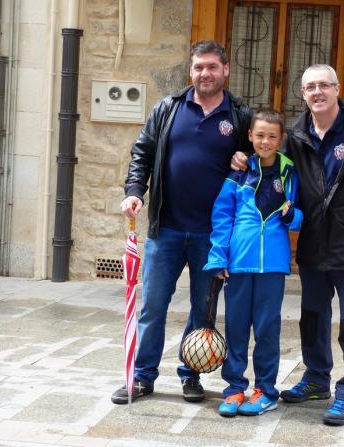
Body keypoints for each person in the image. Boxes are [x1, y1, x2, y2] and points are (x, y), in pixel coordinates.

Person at [231, 64, 344, 425]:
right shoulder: (296, 136)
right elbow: (271, 164)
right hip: (313, 244)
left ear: (337, 89)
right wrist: (242, 158)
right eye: (310, 87)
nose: (317, 92)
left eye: (324, 85)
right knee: (312, 317)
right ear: (303, 94)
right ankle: (315, 379)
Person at [112, 40, 252, 405]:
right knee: (152, 306)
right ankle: (142, 377)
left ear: (225, 70)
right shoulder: (168, 108)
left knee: (203, 311)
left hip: (214, 235)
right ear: (190, 71)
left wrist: (246, 159)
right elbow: (142, 153)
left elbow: (259, 160)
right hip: (167, 229)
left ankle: (191, 375)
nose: (205, 73)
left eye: (212, 66)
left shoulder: (239, 115)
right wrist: (134, 191)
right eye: (198, 67)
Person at [204, 109, 303, 417]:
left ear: (281, 139)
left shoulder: (289, 171)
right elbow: (222, 215)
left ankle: (265, 391)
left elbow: (301, 215)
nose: (265, 141)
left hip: (273, 264)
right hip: (238, 262)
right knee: (235, 327)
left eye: (272, 136)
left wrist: (292, 215)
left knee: (267, 329)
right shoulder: (239, 171)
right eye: (260, 135)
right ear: (250, 136)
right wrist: (218, 256)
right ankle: (234, 388)